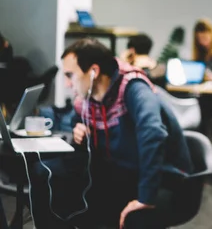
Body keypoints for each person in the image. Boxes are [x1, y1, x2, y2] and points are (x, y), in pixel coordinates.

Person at [31, 38, 193, 229]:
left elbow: (153, 134)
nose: (67, 84)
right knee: (49, 177)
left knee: (129, 216)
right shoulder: (91, 97)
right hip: (123, 172)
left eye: (70, 75)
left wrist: (145, 198)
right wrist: (81, 134)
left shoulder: (134, 88)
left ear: (93, 72)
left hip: (164, 179)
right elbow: (79, 121)